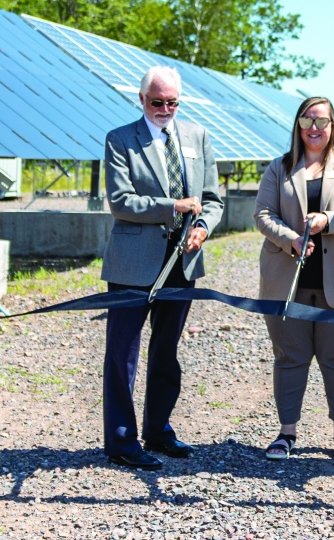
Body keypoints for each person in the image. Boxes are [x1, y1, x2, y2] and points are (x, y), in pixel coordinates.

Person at [100, 65, 223, 471]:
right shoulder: (120, 140)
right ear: (141, 99)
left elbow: (212, 198)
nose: (165, 109)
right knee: (123, 354)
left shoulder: (198, 137)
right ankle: (121, 440)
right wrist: (171, 207)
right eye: (157, 102)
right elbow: (120, 201)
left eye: (172, 102)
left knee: (167, 351)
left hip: (181, 263)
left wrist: (202, 227)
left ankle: (159, 430)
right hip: (133, 264)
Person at [254, 97, 334, 462]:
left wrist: (328, 221)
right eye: (307, 120)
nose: (314, 128)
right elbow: (262, 214)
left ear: (333, 125)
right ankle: (287, 432)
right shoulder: (279, 168)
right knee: (290, 357)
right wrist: (288, 239)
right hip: (286, 279)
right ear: (297, 125)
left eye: (321, 121)